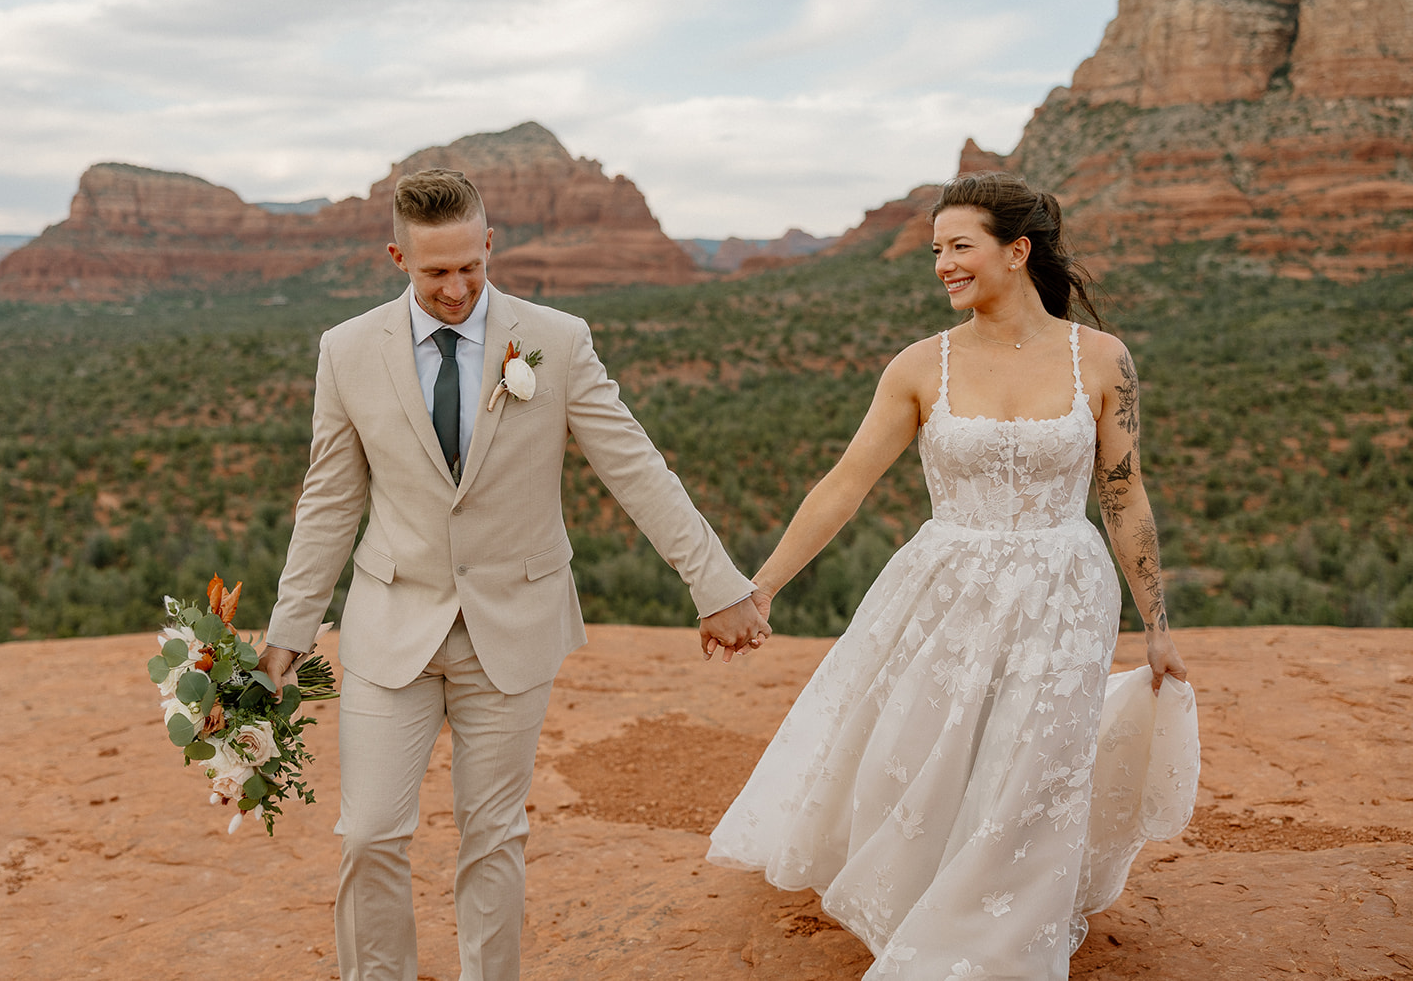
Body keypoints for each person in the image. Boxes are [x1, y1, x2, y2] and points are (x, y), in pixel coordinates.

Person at [257, 167, 769, 981]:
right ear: (397, 256)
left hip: (514, 623)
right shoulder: (348, 351)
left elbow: (634, 465)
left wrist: (718, 584)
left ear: (490, 243)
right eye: (435, 272)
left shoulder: (556, 341)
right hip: (394, 622)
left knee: (492, 834)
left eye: (471, 266)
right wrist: (289, 629)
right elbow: (327, 502)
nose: (458, 287)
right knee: (369, 832)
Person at [707, 171, 1192, 978]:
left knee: (1034, 761)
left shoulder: (1103, 360)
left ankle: (999, 938)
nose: (942, 265)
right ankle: (933, 905)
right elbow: (845, 483)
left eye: (959, 247)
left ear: (1017, 251)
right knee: (940, 750)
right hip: (944, 587)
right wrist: (762, 585)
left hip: (1065, 589)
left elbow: (1125, 494)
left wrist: (1158, 627)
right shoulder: (919, 365)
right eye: (936, 250)